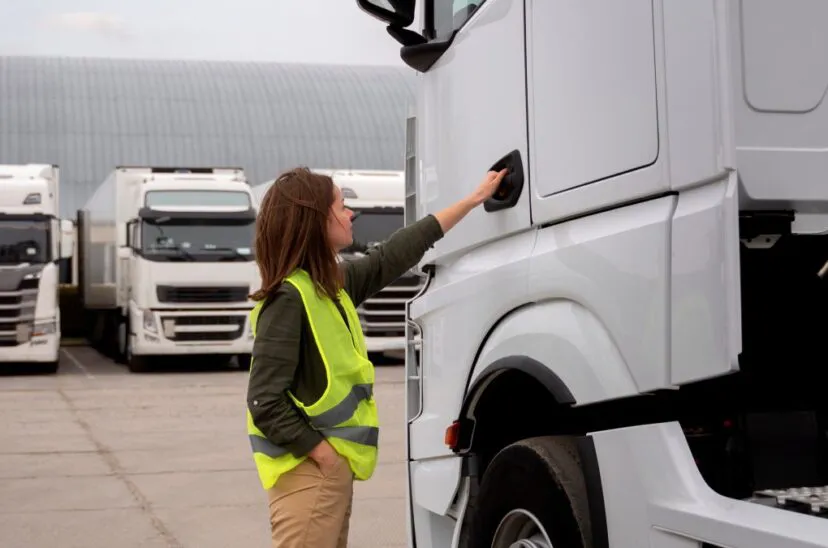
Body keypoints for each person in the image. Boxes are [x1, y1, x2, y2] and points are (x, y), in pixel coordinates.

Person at [246, 166, 507, 548]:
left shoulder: (329, 287)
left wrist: (471, 201)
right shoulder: (289, 299)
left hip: (325, 470)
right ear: (315, 220)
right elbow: (264, 399)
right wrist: (323, 456)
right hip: (308, 469)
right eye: (342, 205)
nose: (351, 213)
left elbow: (395, 253)